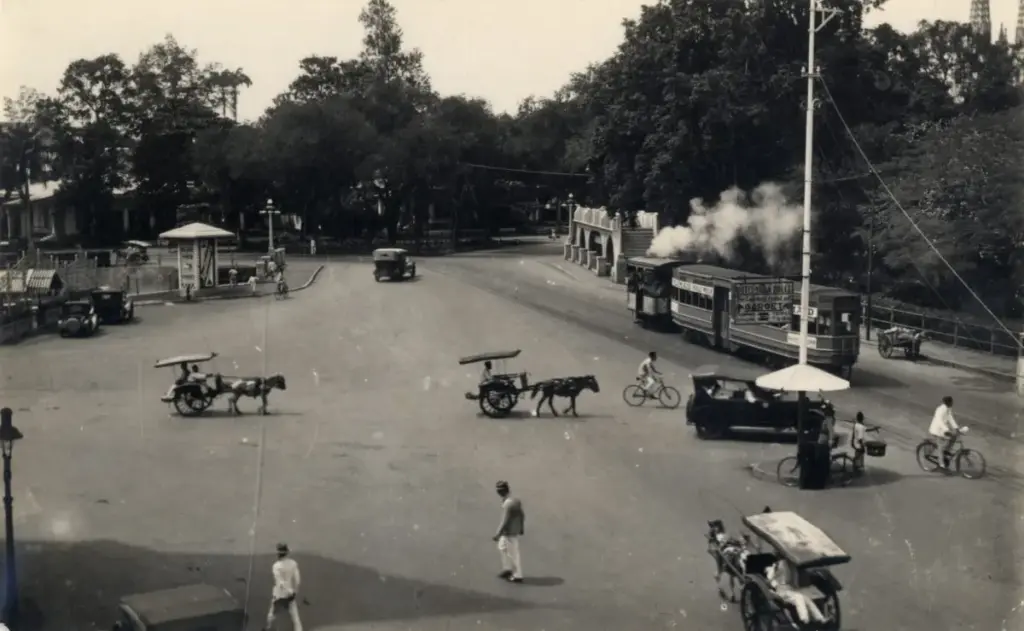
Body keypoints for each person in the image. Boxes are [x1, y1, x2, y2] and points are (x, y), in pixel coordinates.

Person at [766, 557, 828, 625]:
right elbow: (769, 580)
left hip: (791, 589)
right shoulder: (775, 567)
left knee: (806, 599)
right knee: (798, 597)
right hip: (781, 591)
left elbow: (794, 581)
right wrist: (774, 571)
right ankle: (804, 619)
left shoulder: (791, 567)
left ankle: (820, 618)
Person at [265, 542, 303, 631]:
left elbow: (280, 582)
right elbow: (297, 580)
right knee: (295, 617)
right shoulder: (293, 563)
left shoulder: (276, 566)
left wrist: (288, 591)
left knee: (272, 613)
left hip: (279, 594)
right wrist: (294, 592)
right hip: (290, 594)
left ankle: (268, 627)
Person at [493, 480, 525, 583]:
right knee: (502, 547)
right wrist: (521, 527)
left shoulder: (508, 503)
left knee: (513, 553)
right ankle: (507, 569)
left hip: (509, 532)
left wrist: (498, 533)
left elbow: (505, 520)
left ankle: (517, 575)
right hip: (512, 530)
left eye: (499, 491)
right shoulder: (514, 500)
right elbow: (522, 515)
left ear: (502, 491)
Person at [928, 396, 960, 468]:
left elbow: (950, 418)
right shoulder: (940, 410)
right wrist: (946, 429)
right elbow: (939, 420)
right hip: (937, 430)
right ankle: (941, 463)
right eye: (951, 402)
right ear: (948, 402)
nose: (952, 403)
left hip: (943, 430)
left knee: (954, 437)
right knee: (940, 446)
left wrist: (956, 427)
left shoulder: (948, 408)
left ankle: (946, 451)